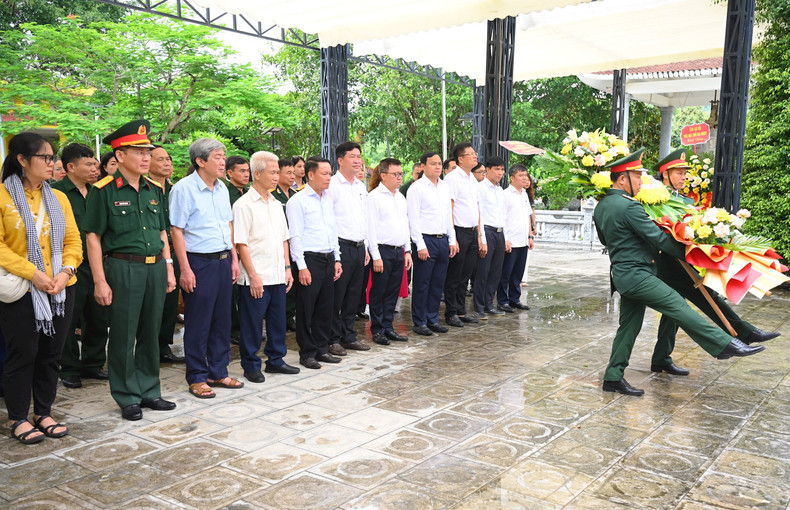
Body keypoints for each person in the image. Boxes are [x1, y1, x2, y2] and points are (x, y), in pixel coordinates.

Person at [593, 149, 764, 396]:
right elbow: (658, 239)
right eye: (638, 177)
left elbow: (605, 239)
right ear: (623, 178)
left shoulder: (602, 206)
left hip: (622, 275)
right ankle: (724, 344)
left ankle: (612, 377)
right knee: (678, 306)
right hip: (639, 275)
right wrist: (696, 251)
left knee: (629, 326)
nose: (642, 182)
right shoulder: (630, 207)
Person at [650, 149, 780, 376]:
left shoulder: (685, 200)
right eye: (679, 173)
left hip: (683, 259)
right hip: (665, 262)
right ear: (665, 174)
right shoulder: (656, 199)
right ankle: (742, 332)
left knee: (675, 309)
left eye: (684, 174)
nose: (683, 178)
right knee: (704, 297)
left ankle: (662, 358)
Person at [84, 120, 177, 421]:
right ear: (120, 156)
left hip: (155, 267)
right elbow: (93, 237)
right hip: (123, 267)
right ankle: (126, 395)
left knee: (152, 331)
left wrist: (169, 267)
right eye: (138, 151)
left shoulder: (154, 190)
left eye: (147, 151)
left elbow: (163, 232)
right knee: (124, 334)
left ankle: (150, 390)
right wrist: (100, 280)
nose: (146, 156)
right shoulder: (104, 191)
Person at [1, 132, 82, 443]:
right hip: (23, 288)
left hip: (60, 288)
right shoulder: (3, 196)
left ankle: (43, 412)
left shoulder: (58, 197)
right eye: (46, 158)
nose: (53, 163)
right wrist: (33, 273)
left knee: (51, 353)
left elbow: (73, 240)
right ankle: (19, 417)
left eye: (53, 157)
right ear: (22, 160)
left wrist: (65, 271)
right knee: (23, 353)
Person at [170, 137, 243, 399]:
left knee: (222, 320)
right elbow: (176, 230)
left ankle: (218, 371)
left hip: (223, 259)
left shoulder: (222, 188)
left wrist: (234, 258)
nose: (223, 161)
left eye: (224, 156)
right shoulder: (183, 189)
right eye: (217, 157)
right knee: (199, 323)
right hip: (198, 262)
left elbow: (228, 225)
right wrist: (185, 269)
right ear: (201, 161)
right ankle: (197, 376)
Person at [234, 151, 299, 383]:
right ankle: (251, 364)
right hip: (256, 275)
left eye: (277, 172)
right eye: (272, 172)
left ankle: (276, 360)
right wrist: (253, 275)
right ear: (257, 174)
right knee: (252, 324)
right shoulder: (243, 205)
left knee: (277, 320)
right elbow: (241, 243)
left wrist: (287, 268)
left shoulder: (276, 203)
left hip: (277, 273)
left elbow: (284, 238)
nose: (276, 176)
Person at [52, 143, 109, 389]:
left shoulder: (100, 191)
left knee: (98, 316)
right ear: (71, 167)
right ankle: (69, 368)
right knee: (68, 318)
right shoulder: (55, 193)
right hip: (69, 267)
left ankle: (93, 363)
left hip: (98, 265)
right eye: (89, 164)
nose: (95, 169)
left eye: (96, 164)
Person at [286, 157, 343, 369]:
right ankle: (307, 352)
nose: (329, 178)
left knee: (325, 308)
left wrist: (337, 258)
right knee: (306, 309)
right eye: (325, 173)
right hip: (309, 260)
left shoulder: (328, 198)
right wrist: (301, 266)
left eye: (330, 173)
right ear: (310, 175)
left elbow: (332, 230)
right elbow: (295, 236)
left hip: (328, 258)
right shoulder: (297, 201)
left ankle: (321, 348)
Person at [325, 141, 371, 355]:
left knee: (354, 295)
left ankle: (349, 335)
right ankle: (332, 338)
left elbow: (364, 219)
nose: (357, 160)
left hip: (359, 247)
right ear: (340, 160)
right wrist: (335, 255)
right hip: (341, 247)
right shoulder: (332, 185)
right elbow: (329, 221)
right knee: (337, 296)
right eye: (352, 156)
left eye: (359, 156)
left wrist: (367, 247)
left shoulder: (361, 186)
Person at [407, 152, 458, 336]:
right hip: (425, 240)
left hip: (442, 239)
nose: (437, 167)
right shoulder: (417, 188)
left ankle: (432, 319)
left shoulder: (444, 187)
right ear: (423, 166)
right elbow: (413, 218)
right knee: (422, 283)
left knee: (438, 283)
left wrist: (451, 239)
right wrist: (420, 245)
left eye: (439, 163)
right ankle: (419, 321)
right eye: (433, 164)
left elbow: (447, 216)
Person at [366, 158, 412, 345]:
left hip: (398, 250)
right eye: (396, 174)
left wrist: (407, 250)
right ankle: (377, 329)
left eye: (401, 174)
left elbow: (405, 225)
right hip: (382, 251)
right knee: (379, 292)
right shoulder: (374, 197)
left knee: (392, 292)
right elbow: (370, 229)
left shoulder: (400, 197)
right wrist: (376, 256)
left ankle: (388, 327)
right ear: (383, 175)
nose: (400, 177)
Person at [147, 145, 185, 364]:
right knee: (152, 303)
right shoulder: (144, 190)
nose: (167, 163)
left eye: (168, 159)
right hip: (153, 252)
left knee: (171, 301)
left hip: (175, 251)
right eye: (160, 160)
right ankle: (148, 346)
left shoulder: (176, 190)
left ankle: (163, 345)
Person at [443, 142, 483, 327]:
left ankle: (461, 310)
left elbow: (476, 208)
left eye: (475, 154)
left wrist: (480, 235)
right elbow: (449, 208)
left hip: (472, 231)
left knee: (466, 274)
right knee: (455, 275)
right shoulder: (452, 179)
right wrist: (453, 237)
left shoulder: (472, 179)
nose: (475, 157)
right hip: (458, 231)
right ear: (461, 158)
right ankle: (451, 313)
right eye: (471, 154)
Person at [473, 156, 508, 318]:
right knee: (483, 272)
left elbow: (503, 216)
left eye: (502, 169)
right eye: (497, 169)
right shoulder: (480, 188)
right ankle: (479, 306)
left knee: (496, 272)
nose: (500, 172)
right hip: (486, 231)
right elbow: (479, 214)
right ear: (487, 170)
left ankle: (489, 304)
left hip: (499, 232)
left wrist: (506, 238)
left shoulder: (500, 190)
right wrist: (482, 239)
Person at [498, 164, 535, 312]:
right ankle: (502, 300)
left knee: (518, 273)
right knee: (505, 273)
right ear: (512, 178)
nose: (524, 178)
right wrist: (506, 239)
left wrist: (529, 236)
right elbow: (503, 218)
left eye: (525, 175)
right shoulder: (505, 194)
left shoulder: (524, 194)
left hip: (523, 240)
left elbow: (528, 216)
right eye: (521, 175)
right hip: (511, 240)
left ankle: (515, 299)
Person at [273, 158, 298, 332]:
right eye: (288, 173)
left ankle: (289, 316)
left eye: (293, 173)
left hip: (294, 244)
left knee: (293, 283)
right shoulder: (272, 195)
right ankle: (280, 318)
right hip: (278, 244)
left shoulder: (296, 195)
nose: (292, 176)